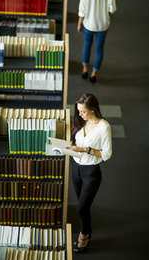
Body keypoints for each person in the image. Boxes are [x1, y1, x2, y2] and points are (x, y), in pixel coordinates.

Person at [67, 93, 112, 252]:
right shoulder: (80, 120)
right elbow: (75, 139)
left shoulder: (103, 127)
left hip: (90, 173)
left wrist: (86, 150)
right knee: (82, 205)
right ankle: (87, 230)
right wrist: (69, 146)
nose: (79, 114)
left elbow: (106, 154)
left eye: (83, 111)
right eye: (78, 111)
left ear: (93, 109)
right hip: (75, 167)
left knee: (81, 208)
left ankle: (85, 234)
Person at [77, 0, 119, 83]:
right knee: (99, 49)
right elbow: (112, 9)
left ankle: (85, 69)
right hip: (103, 25)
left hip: (89, 24)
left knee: (87, 45)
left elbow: (82, 9)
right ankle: (94, 73)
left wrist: (80, 23)